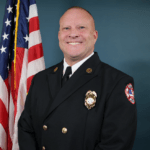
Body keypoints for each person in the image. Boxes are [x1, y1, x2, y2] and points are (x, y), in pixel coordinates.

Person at [18, 6, 137, 150]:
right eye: (66, 28)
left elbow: (116, 144)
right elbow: (26, 129)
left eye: (81, 27)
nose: (73, 34)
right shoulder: (40, 79)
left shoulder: (116, 83)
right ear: (59, 35)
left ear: (95, 35)